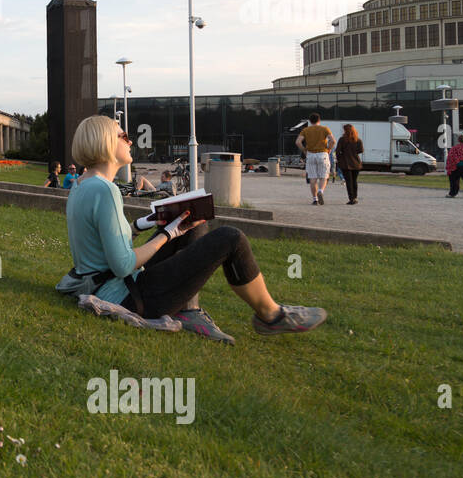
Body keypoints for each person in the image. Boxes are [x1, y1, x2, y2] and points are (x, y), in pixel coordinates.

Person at [63, 115, 327, 341]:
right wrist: (168, 234)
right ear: (107, 142)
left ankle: (189, 311)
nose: (130, 141)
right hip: (126, 296)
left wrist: (147, 223)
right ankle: (271, 315)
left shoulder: (83, 185)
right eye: (124, 136)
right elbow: (122, 264)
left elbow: (100, 242)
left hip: (103, 285)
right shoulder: (105, 190)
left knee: (192, 221)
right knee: (230, 238)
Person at [296, 112, 335, 206]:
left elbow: (298, 142)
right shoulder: (325, 129)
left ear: (310, 121)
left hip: (311, 155)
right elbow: (333, 140)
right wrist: (328, 149)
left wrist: (305, 150)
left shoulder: (305, 130)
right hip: (322, 154)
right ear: (319, 120)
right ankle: (321, 191)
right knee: (323, 177)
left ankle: (315, 199)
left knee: (313, 178)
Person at [335, 124, 363, 205]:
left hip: (346, 164)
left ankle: (351, 199)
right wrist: (354, 153)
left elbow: (337, 151)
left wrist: (340, 158)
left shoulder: (342, 140)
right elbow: (361, 150)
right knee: (354, 181)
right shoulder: (358, 140)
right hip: (356, 163)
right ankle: (355, 197)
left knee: (349, 182)